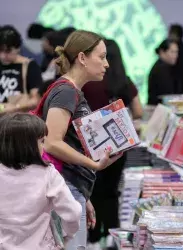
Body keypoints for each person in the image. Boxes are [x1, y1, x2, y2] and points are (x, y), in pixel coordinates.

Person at [40, 30, 121, 250]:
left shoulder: (72, 91)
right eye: (101, 57)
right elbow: (52, 142)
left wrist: (82, 194)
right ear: (82, 58)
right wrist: (93, 164)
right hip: (64, 188)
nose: (106, 64)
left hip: (69, 188)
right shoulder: (67, 91)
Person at [83, 39, 143, 250]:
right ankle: (112, 237)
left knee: (92, 192)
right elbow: (138, 112)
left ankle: (92, 238)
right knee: (111, 192)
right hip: (119, 146)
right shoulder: (123, 81)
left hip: (92, 146)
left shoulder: (89, 82)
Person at [0, 113, 82, 250]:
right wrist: (68, 235)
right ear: (29, 145)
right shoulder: (47, 174)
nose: (43, 147)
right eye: (42, 141)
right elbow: (73, 212)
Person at [0, 25, 42, 112]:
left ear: (18, 48)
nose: (3, 55)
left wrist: (15, 107)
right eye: (0, 51)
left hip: (18, 118)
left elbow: (36, 100)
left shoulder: (29, 65)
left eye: (8, 51)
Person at [148, 39, 178, 105]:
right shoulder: (161, 69)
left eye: (176, 52)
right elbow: (167, 95)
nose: (175, 56)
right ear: (162, 52)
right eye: (172, 52)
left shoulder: (161, 67)